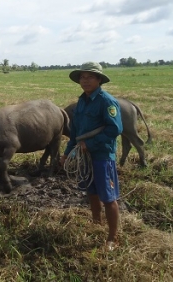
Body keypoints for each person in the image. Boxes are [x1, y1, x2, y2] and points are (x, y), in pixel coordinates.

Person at [60, 61, 123, 251]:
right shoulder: (81, 101)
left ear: (99, 80)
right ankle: (96, 224)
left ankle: (112, 238)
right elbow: (76, 132)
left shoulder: (107, 102)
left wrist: (91, 144)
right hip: (84, 155)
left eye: (90, 77)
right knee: (91, 192)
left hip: (102, 156)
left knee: (108, 197)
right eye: (82, 77)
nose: (85, 81)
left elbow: (115, 129)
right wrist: (67, 153)